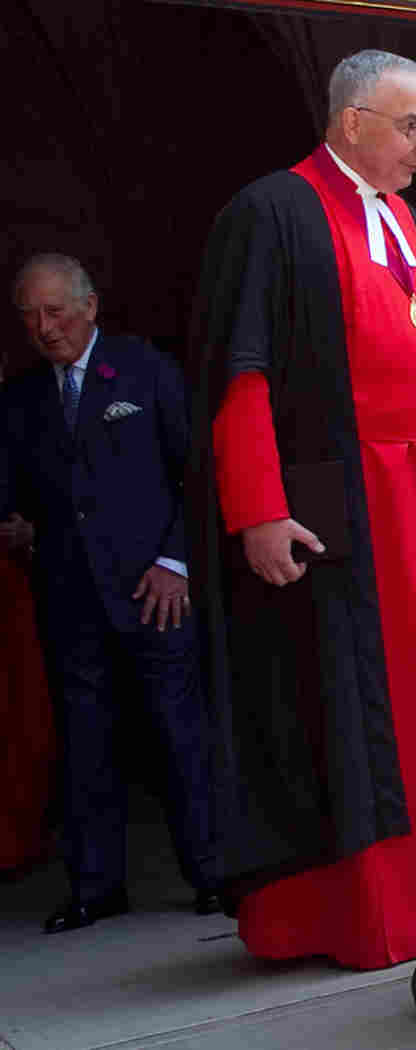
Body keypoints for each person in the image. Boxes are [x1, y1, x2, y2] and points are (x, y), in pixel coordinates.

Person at [186, 49, 416, 969]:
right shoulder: (271, 212)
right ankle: (363, 919)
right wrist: (257, 510)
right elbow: (239, 375)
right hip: (337, 507)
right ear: (353, 121)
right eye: (412, 126)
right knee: (346, 715)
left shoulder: (400, 216)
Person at [2, 253, 218, 930]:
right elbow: (11, 496)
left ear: (89, 306)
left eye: (56, 311)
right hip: (69, 596)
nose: (45, 327)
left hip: (156, 590)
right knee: (85, 743)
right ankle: (96, 886)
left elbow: (198, 474)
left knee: (177, 733)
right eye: (30, 315)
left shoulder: (145, 370)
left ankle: (212, 874)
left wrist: (175, 561)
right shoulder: (22, 398)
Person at [0, 348, 54, 874]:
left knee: (24, 715)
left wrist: (32, 531)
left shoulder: (18, 408)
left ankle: (17, 845)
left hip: (14, 578)